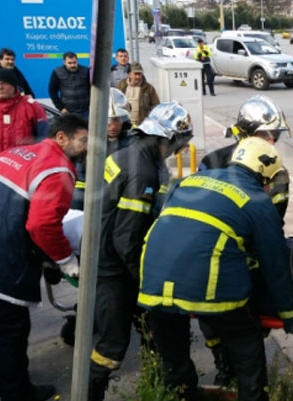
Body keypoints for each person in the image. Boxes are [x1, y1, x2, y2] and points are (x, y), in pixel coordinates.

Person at [138, 137, 293, 401]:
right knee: (246, 347)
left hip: (154, 282)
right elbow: (276, 266)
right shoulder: (257, 201)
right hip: (209, 286)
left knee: (174, 363)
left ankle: (180, 395)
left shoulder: (188, 181)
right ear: (265, 176)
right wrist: (292, 318)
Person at [0, 114, 89, 401]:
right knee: (8, 333)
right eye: (84, 141)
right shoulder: (58, 169)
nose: (88, 148)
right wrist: (66, 261)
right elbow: (42, 225)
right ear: (61, 138)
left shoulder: (13, 154)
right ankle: (16, 393)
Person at [88, 102, 193, 401]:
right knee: (111, 346)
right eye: (181, 142)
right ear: (169, 138)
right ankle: (89, 392)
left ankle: (157, 385)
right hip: (114, 268)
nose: (181, 149)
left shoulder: (126, 154)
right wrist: (146, 280)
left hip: (104, 254)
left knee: (149, 328)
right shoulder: (144, 173)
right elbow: (126, 238)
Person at [197, 95, 291, 385]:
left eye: (275, 134)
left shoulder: (275, 169)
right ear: (247, 133)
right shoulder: (212, 162)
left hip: (249, 262)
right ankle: (223, 365)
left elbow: (274, 222)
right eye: (266, 134)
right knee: (209, 320)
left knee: (248, 329)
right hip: (211, 255)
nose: (272, 141)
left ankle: (246, 374)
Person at [71, 88, 133, 210]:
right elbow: (80, 183)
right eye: (107, 120)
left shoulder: (133, 141)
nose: (112, 126)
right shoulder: (88, 143)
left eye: (117, 119)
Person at [116, 61, 160, 126]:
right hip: (124, 124)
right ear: (129, 74)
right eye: (135, 74)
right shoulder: (121, 85)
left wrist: (149, 116)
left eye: (140, 74)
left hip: (141, 125)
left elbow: (156, 106)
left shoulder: (149, 88)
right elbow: (114, 102)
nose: (138, 76)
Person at [48, 51, 91, 118]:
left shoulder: (85, 70)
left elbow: (91, 88)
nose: (72, 65)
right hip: (68, 111)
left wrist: (91, 104)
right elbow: (52, 92)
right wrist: (61, 108)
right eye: (69, 63)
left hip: (85, 111)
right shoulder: (57, 72)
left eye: (74, 62)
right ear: (64, 62)